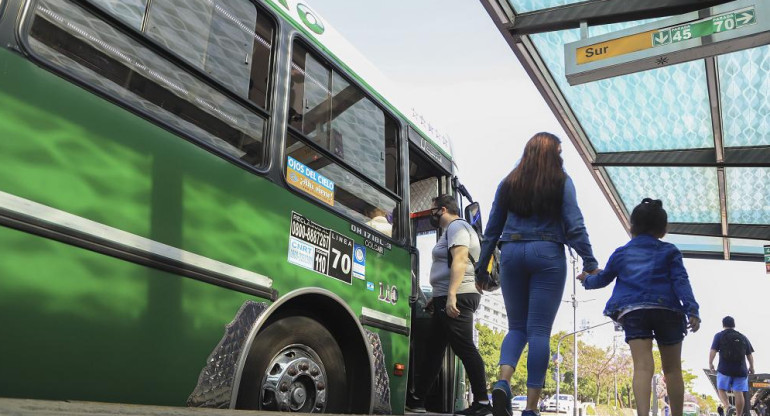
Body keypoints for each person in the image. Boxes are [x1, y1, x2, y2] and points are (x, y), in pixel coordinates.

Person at [476, 132, 599, 416]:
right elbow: (575, 224)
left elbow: (492, 229)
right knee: (539, 331)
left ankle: (503, 382)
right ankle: (531, 408)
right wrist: (590, 262)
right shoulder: (561, 182)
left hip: (512, 254)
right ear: (554, 153)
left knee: (516, 328)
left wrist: (482, 268)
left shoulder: (509, 183)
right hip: (547, 254)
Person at [578, 198, 701, 416]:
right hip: (668, 310)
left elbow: (603, 279)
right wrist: (692, 310)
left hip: (634, 312)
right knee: (672, 370)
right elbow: (681, 281)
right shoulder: (670, 251)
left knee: (643, 367)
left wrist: (586, 279)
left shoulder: (621, 253)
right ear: (663, 230)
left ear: (631, 226)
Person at [405, 195, 491, 416]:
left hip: (459, 295)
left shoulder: (457, 227)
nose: (432, 214)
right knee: (434, 349)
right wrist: (440, 294)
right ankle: (418, 400)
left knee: (464, 347)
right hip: (448, 295)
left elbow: (460, 259)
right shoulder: (452, 230)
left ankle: (482, 402)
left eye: (433, 210)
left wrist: (451, 294)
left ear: (442, 210)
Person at [709, 316, 755, 416]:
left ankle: (728, 406)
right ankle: (738, 414)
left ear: (723, 324)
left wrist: (710, 363)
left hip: (724, 369)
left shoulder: (719, 335)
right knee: (738, 392)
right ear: (734, 324)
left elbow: (713, 351)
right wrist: (751, 367)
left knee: (721, 389)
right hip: (741, 369)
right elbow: (749, 355)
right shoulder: (742, 337)